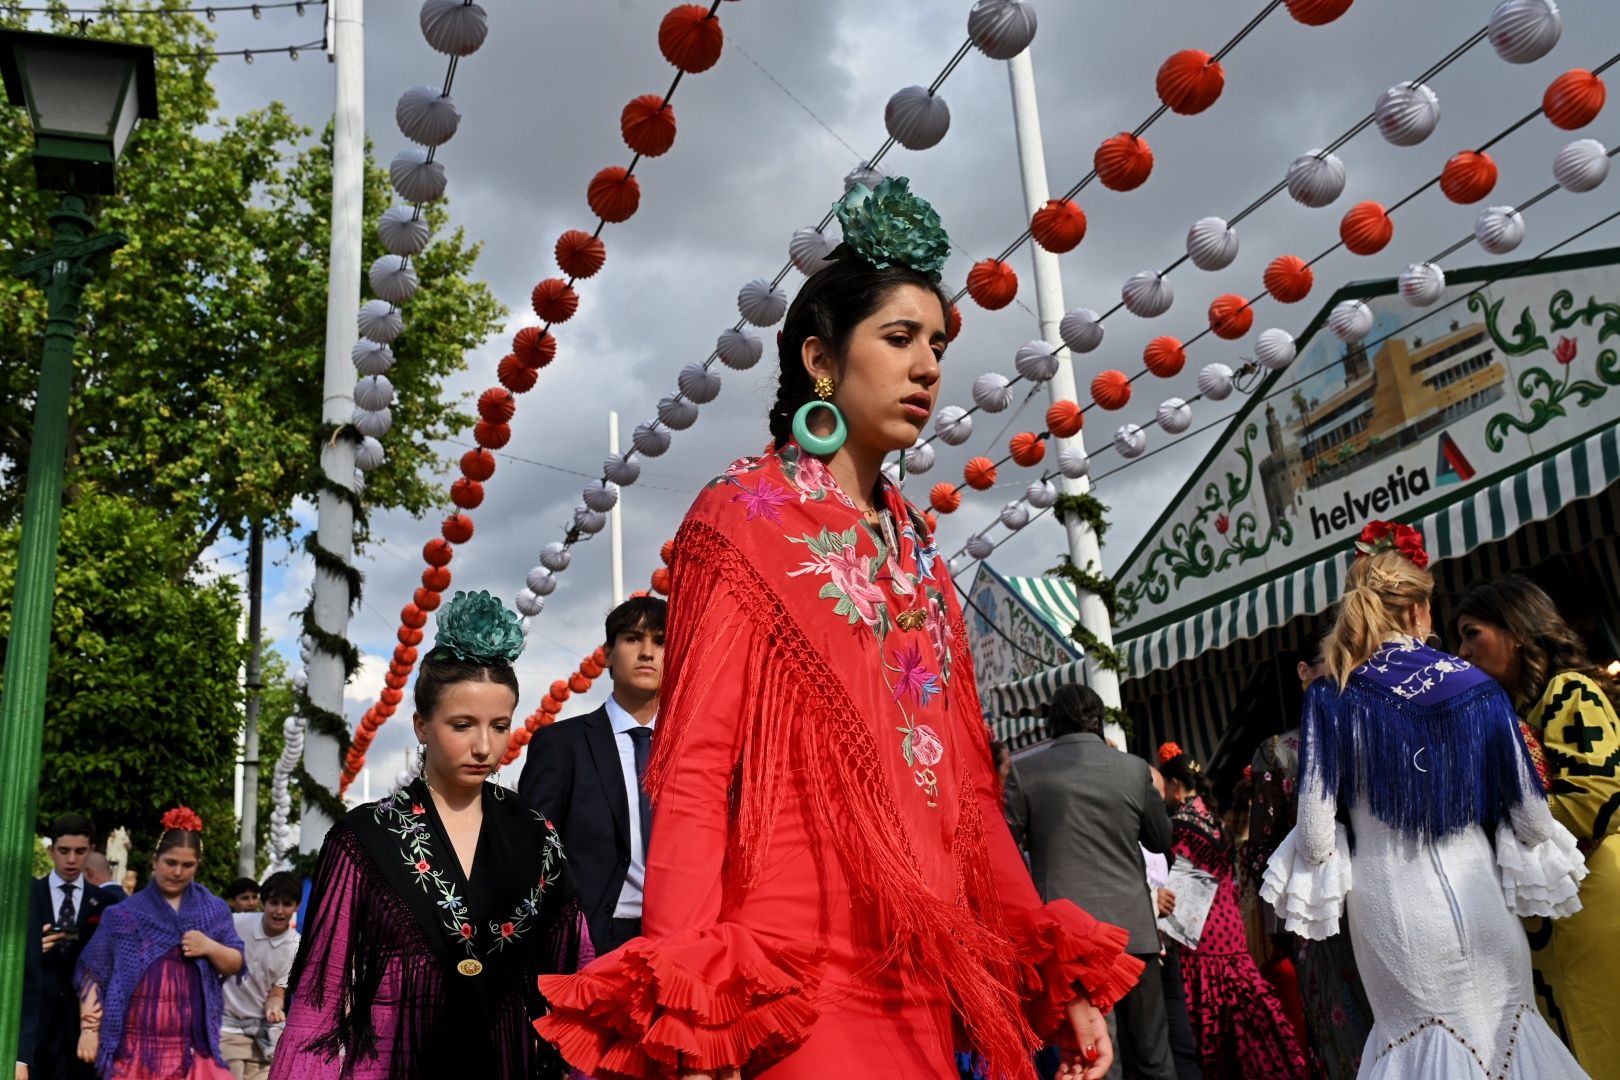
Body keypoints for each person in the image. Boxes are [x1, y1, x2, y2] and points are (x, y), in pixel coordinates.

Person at [534, 178, 1139, 1080]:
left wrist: (1056, 977)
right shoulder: (741, 518)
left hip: (924, 973)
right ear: (821, 360)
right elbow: (695, 769)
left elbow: (970, 795)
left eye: (936, 343)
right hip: (797, 978)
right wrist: (693, 1001)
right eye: (899, 339)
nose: (928, 366)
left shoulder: (924, 562)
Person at [1261, 522, 1590, 1079]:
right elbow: (1534, 824)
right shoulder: (1478, 687)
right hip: (1483, 903)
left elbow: (1316, 840)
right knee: (1512, 1042)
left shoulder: (1330, 697)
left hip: (1394, 914)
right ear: (1416, 610)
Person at [271, 590, 581, 1080]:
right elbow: (321, 997)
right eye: (462, 725)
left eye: (499, 726)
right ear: (421, 725)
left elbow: (574, 980)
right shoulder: (363, 838)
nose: (484, 746)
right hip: (391, 1066)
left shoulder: (537, 837)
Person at [1455, 575, 1619, 1078]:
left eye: (1471, 633)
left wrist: (1503, 825)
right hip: (1560, 917)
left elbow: (1597, 798)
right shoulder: (1520, 712)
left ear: (1516, 630)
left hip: (1597, 904)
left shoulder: (1568, 691)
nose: (1462, 652)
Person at [1005, 684, 1175, 1080]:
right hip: (1136, 934)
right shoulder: (1133, 769)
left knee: (1093, 1059)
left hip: (1071, 940)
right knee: (1153, 1057)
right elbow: (1159, 839)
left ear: (1052, 722)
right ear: (1099, 720)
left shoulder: (1026, 772)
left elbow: (1008, 849)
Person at [1241, 632, 1371, 1080]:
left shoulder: (1369, 731)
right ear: (1303, 672)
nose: (1342, 676)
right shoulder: (1278, 752)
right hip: (1324, 924)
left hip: (1379, 906)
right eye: (1331, 664)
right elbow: (1260, 856)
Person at [518, 595, 666, 955]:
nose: (647, 652)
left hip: (683, 941)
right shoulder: (561, 744)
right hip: (591, 943)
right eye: (633, 639)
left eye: (661, 642)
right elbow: (529, 852)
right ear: (607, 655)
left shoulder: (700, 747)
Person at [1159, 745, 1306, 1080]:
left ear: (1173, 784)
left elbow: (1180, 890)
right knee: (1247, 1008)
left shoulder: (1178, 825)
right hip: (1231, 928)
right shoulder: (1212, 819)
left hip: (1203, 933)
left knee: (1210, 1017)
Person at [73, 808, 245, 1079]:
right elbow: (93, 971)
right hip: (135, 1047)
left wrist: (209, 947)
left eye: (188, 865)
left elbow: (236, 962)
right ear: (155, 861)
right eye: (170, 862)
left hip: (192, 1046)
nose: (178, 872)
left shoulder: (213, 910)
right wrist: (89, 1030)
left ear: (198, 865)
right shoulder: (124, 914)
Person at [27, 813, 117, 1080]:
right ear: (50, 850)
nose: (71, 860)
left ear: (91, 851)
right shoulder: (30, 895)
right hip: (35, 1023)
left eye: (79, 852)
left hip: (82, 1027)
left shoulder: (105, 902)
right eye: (64, 851)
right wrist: (31, 949)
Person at [1145, 768, 1201, 1080]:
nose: (1155, 800)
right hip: (1140, 952)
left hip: (1171, 949)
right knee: (1153, 1050)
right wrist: (1152, 902)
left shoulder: (1168, 836)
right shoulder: (1125, 837)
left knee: (1182, 1043)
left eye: (1157, 793)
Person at [220, 873, 301, 1080]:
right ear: (263, 903)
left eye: (287, 904)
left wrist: (274, 1008)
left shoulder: (296, 946)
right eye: (274, 903)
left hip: (263, 1034)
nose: (279, 911)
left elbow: (277, 993)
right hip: (225, 1027)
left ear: (297, 906)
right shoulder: (237, 923)